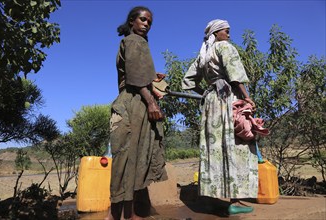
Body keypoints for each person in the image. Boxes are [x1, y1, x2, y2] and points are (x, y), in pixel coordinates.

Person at [182, 19, 258, 215]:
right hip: (228, 99)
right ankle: (236, 201)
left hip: (211, 103)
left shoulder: (203, 55)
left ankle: (214, 196)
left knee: (215, 147)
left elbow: (187, 81)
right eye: (227, 31)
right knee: (236, 145)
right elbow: (236, 75)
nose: (229, 35)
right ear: (216, 33)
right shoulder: (224, 47)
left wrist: (207, 90)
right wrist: (247, 98)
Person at [108, 6, 167, 220]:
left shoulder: (135, 42)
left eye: (149, 22)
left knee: (131, 159)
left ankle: (128, 214)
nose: (146, 24)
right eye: (143, 20)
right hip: (133, 104)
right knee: (126, 159)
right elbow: (134, 76)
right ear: (132, 21)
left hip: (133, 102)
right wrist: (151, 102)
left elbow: (137, 73)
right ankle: (116, 215)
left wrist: (152, 79)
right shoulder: (134, 41)